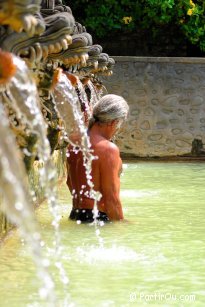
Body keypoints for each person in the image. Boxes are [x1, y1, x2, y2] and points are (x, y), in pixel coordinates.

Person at [66, 94, 129, 222]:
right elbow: (111, 198)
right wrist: (122, 228)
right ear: (114, 122)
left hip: (75, 215)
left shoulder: (74, 141)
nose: (117, 129)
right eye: (119, 125)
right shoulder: (108, 149)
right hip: (98, 219)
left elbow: (69, 182)